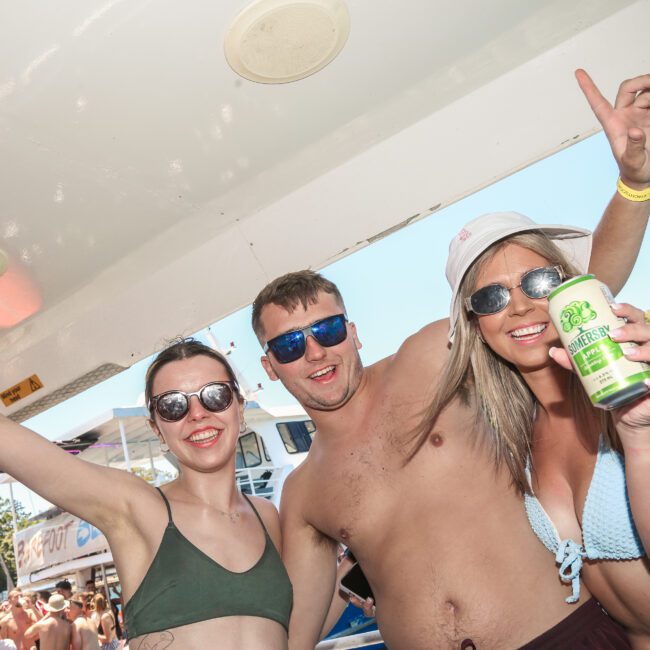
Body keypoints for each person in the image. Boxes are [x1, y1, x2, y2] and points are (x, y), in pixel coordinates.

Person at [251, 70, 650, 649]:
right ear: (270, 366)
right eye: (289, 343)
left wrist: (634, 185)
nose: (315, 350)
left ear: (354, 332)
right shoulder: (304, 492)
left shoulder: (426, 362)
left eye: (328, 328)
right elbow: (294, 629)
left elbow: (562, 302)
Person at [432, 208, 650, 645]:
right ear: (477, 326)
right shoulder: (515, 440)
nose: (518, 306)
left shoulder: (633, 391)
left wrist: (640, 437)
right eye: (491, 297)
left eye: (539, 282)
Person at [0, 339, 292, 650]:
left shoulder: (267, 516)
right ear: (156, 428)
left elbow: (298, 626)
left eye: (215, 395)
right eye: (172, 405)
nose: (196, 413)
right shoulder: (137, 507)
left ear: (239, 406)